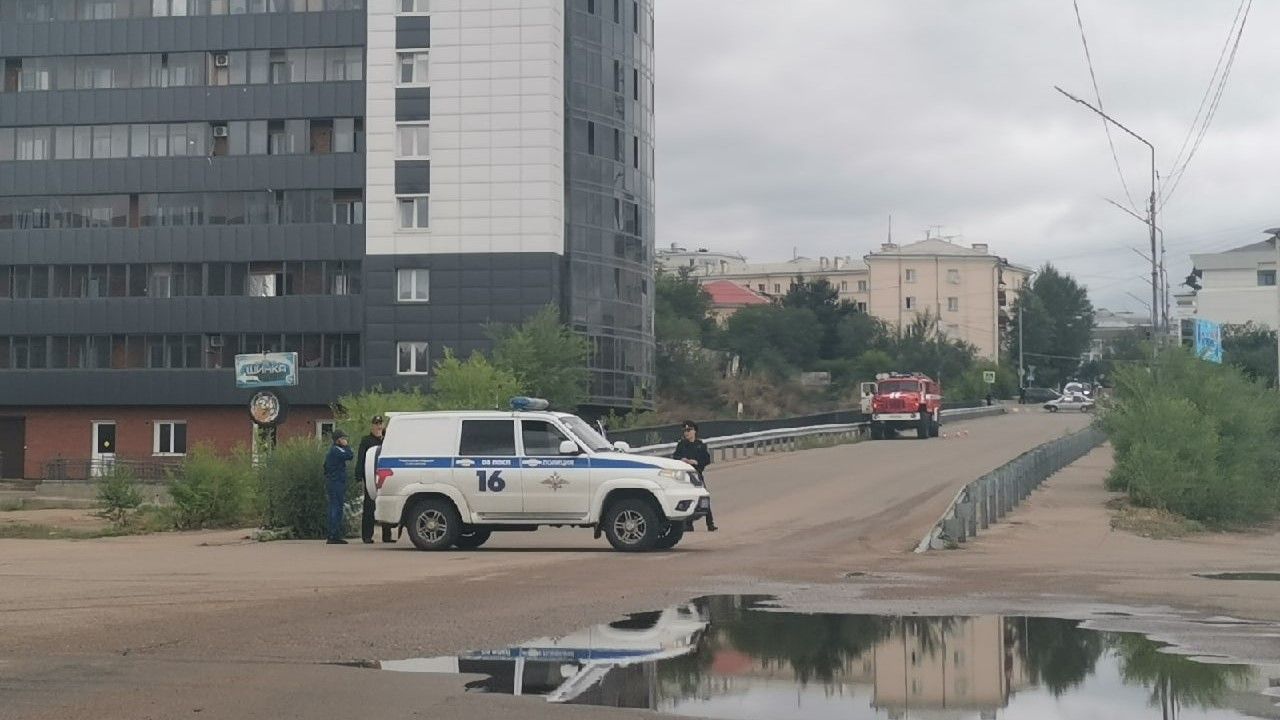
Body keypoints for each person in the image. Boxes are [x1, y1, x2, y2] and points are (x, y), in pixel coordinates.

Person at [672, 420, 717, 532]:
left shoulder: (700, 445)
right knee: (687, 498)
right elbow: (675, 457)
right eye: (685, 431)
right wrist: (682, 460)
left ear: (694, 431)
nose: (686, 433)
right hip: (684, 476)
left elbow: (706, 459)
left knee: (704, 497)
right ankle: (688, 524)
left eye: (689, 430)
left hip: (696, 474)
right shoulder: (681, 445)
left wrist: (696, 462)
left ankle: (710, 523)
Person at [356, 416, 393, 544]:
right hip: (371, 476)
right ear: (372, 426)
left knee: (385, 503)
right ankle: (367, 536)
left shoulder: (387, 440)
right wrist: (359, 475)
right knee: (369, 506)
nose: (378, 426)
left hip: (384, 476)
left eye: (380, 424)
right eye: (376, 424)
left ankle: (387, 535)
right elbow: (361, 458)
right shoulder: (366, 440)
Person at [324, 429, 354, 545]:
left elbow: (325, 467)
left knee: (335, 506)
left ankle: (334, 533)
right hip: (336, 482)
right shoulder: (336, 450)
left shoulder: (333, 450)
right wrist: (347, 446)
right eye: (343, 438)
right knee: (336, 508)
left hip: (335, 481)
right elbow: (349, 455)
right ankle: (333, 534)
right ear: (338, 440)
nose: (345, 440)